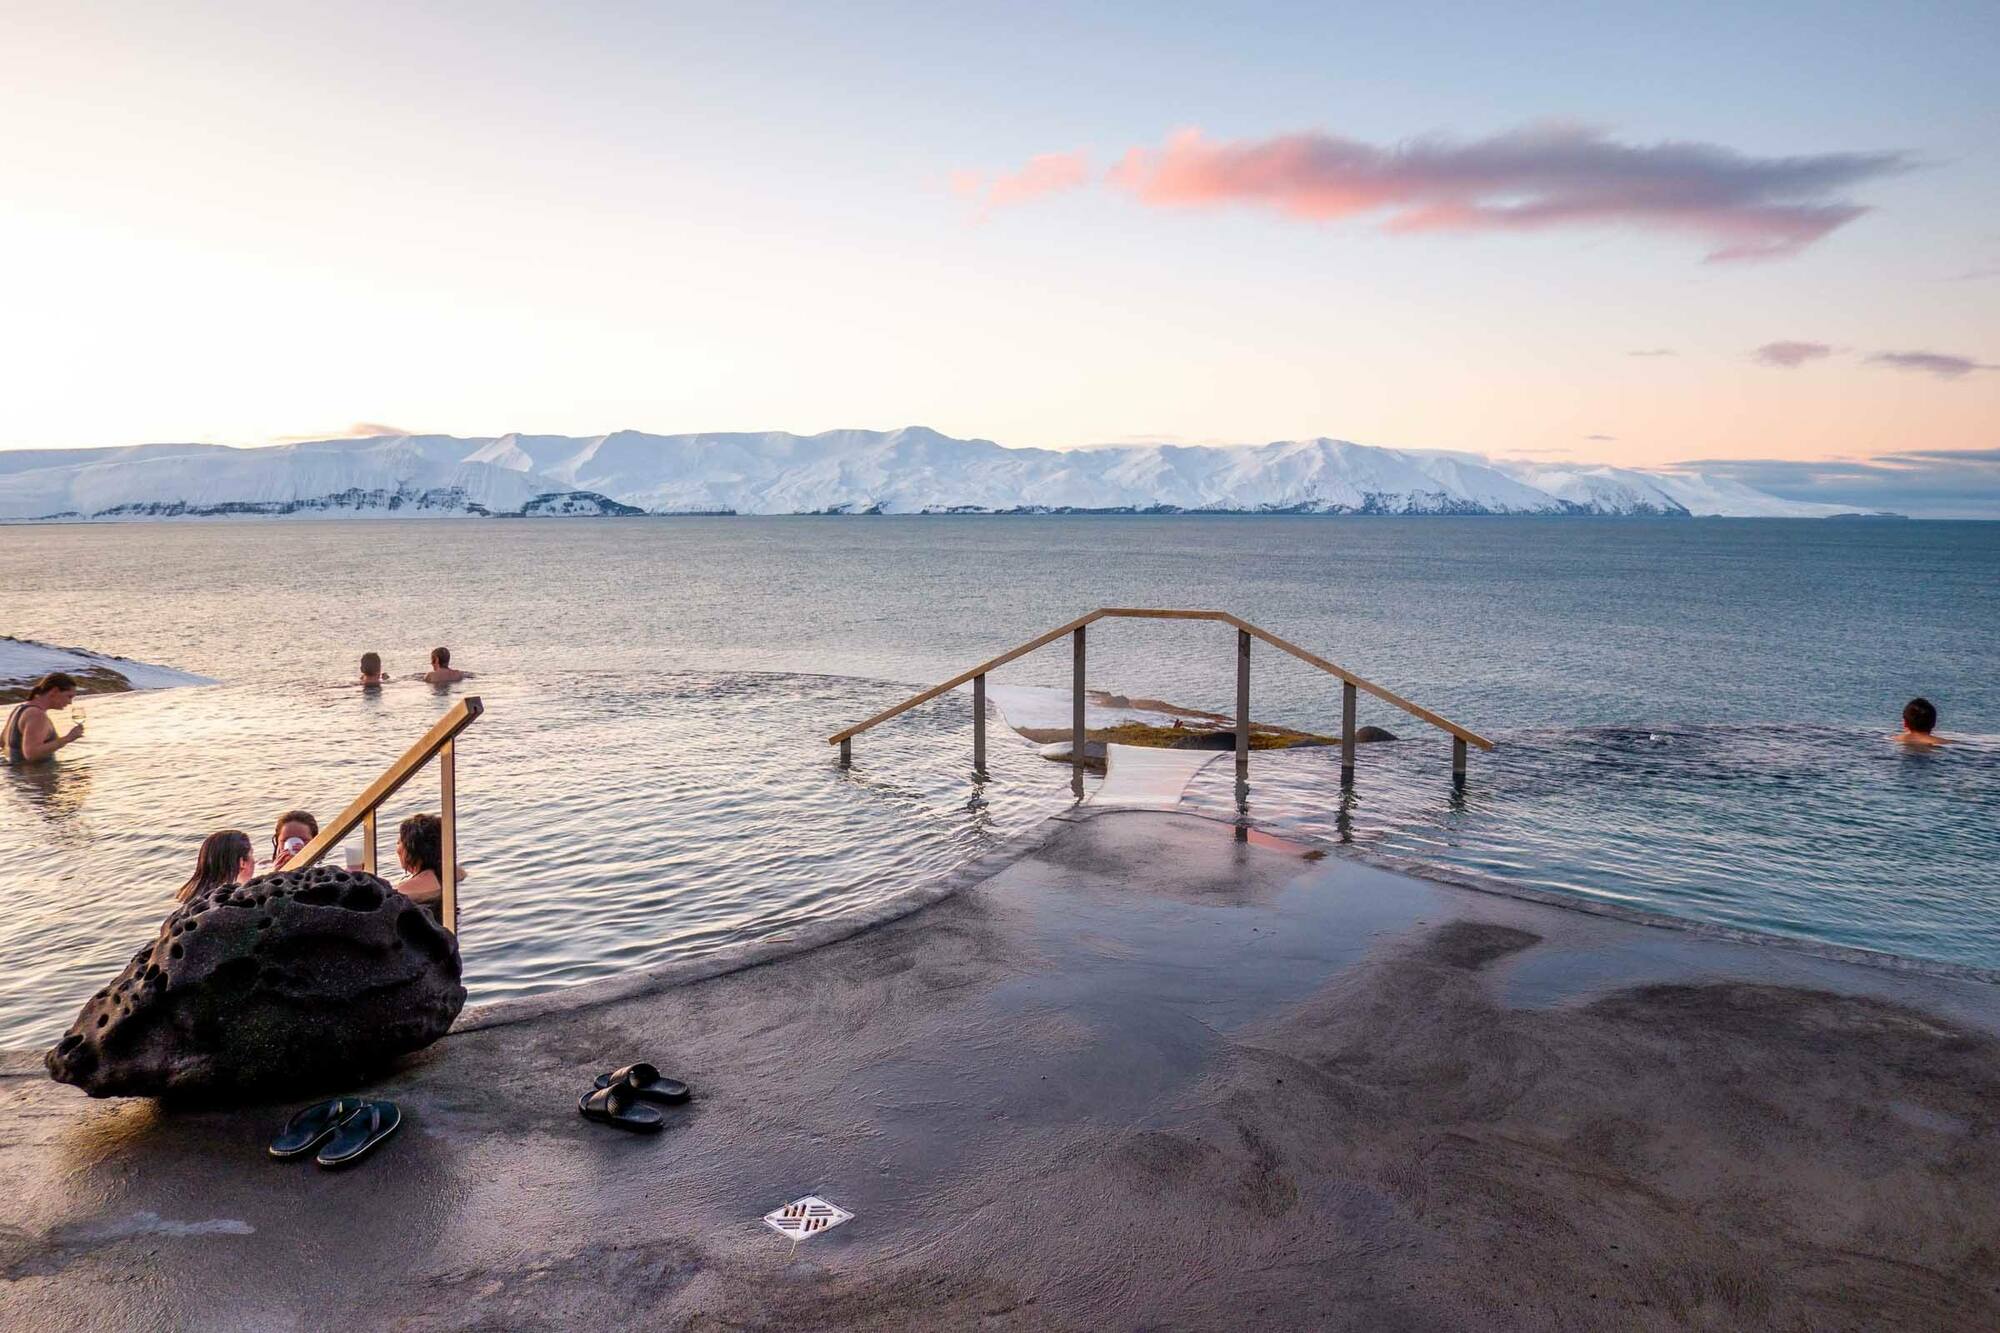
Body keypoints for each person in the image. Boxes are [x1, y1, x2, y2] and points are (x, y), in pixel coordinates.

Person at [4, 672, 84, 764]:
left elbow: (3, 743)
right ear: (55, 691)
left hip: (19, 775)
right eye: (69, 696)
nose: (70, 702)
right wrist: (68, 738)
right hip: (37, 776)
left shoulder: (20, 709)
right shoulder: (36, 715)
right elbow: (31, 754)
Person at [177, 829, 255, 902]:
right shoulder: (240, 898)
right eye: (252, 854)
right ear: (242, 863)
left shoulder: (188, 894)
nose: (254, 860)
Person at [395, 812, 446, 917]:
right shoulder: (457, 874)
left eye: (399, 842)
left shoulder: (403, 890)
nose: (397, 849)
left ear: (411, 849)